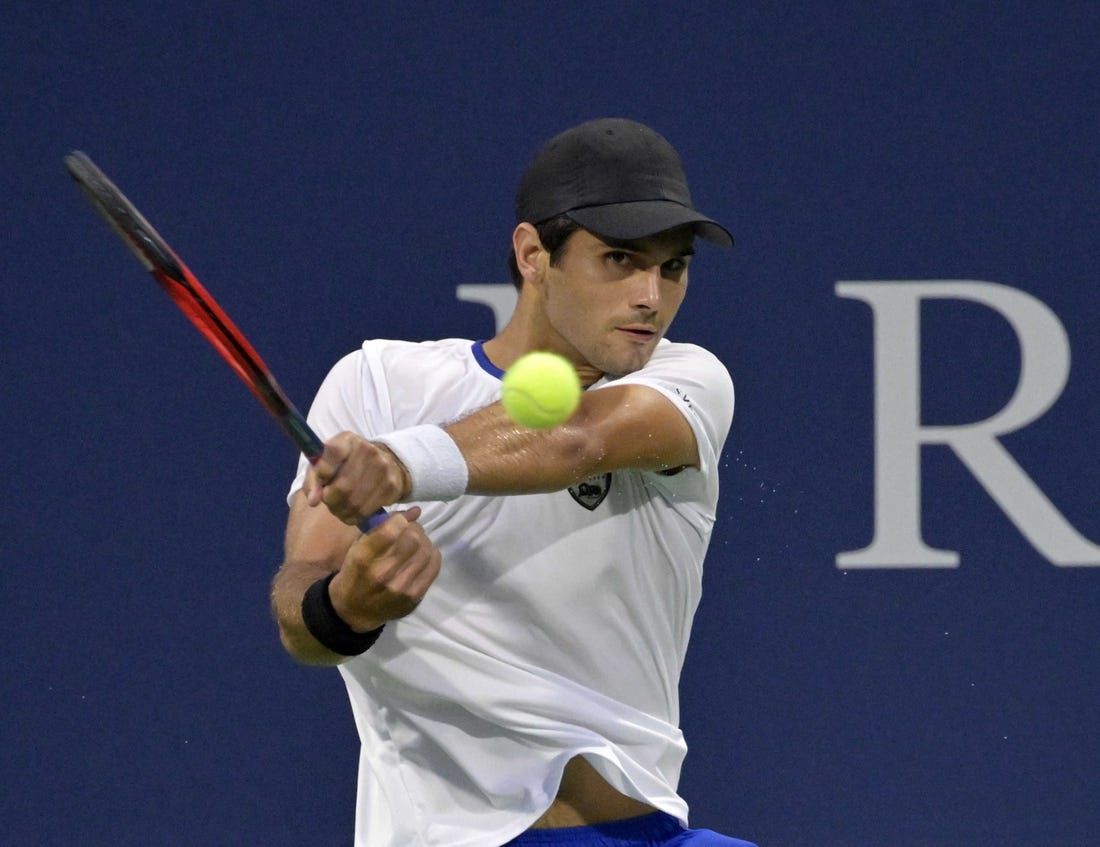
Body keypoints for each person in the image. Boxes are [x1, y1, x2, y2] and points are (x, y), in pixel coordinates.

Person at [271, 118, 756, 847]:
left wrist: (400, 464)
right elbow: (300, 615)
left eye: (674, 266)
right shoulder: (377, 382)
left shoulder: (689, 381)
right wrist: (347, 604)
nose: (651, 296)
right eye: (620, 259)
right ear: (534, 254)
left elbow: (578, 438)